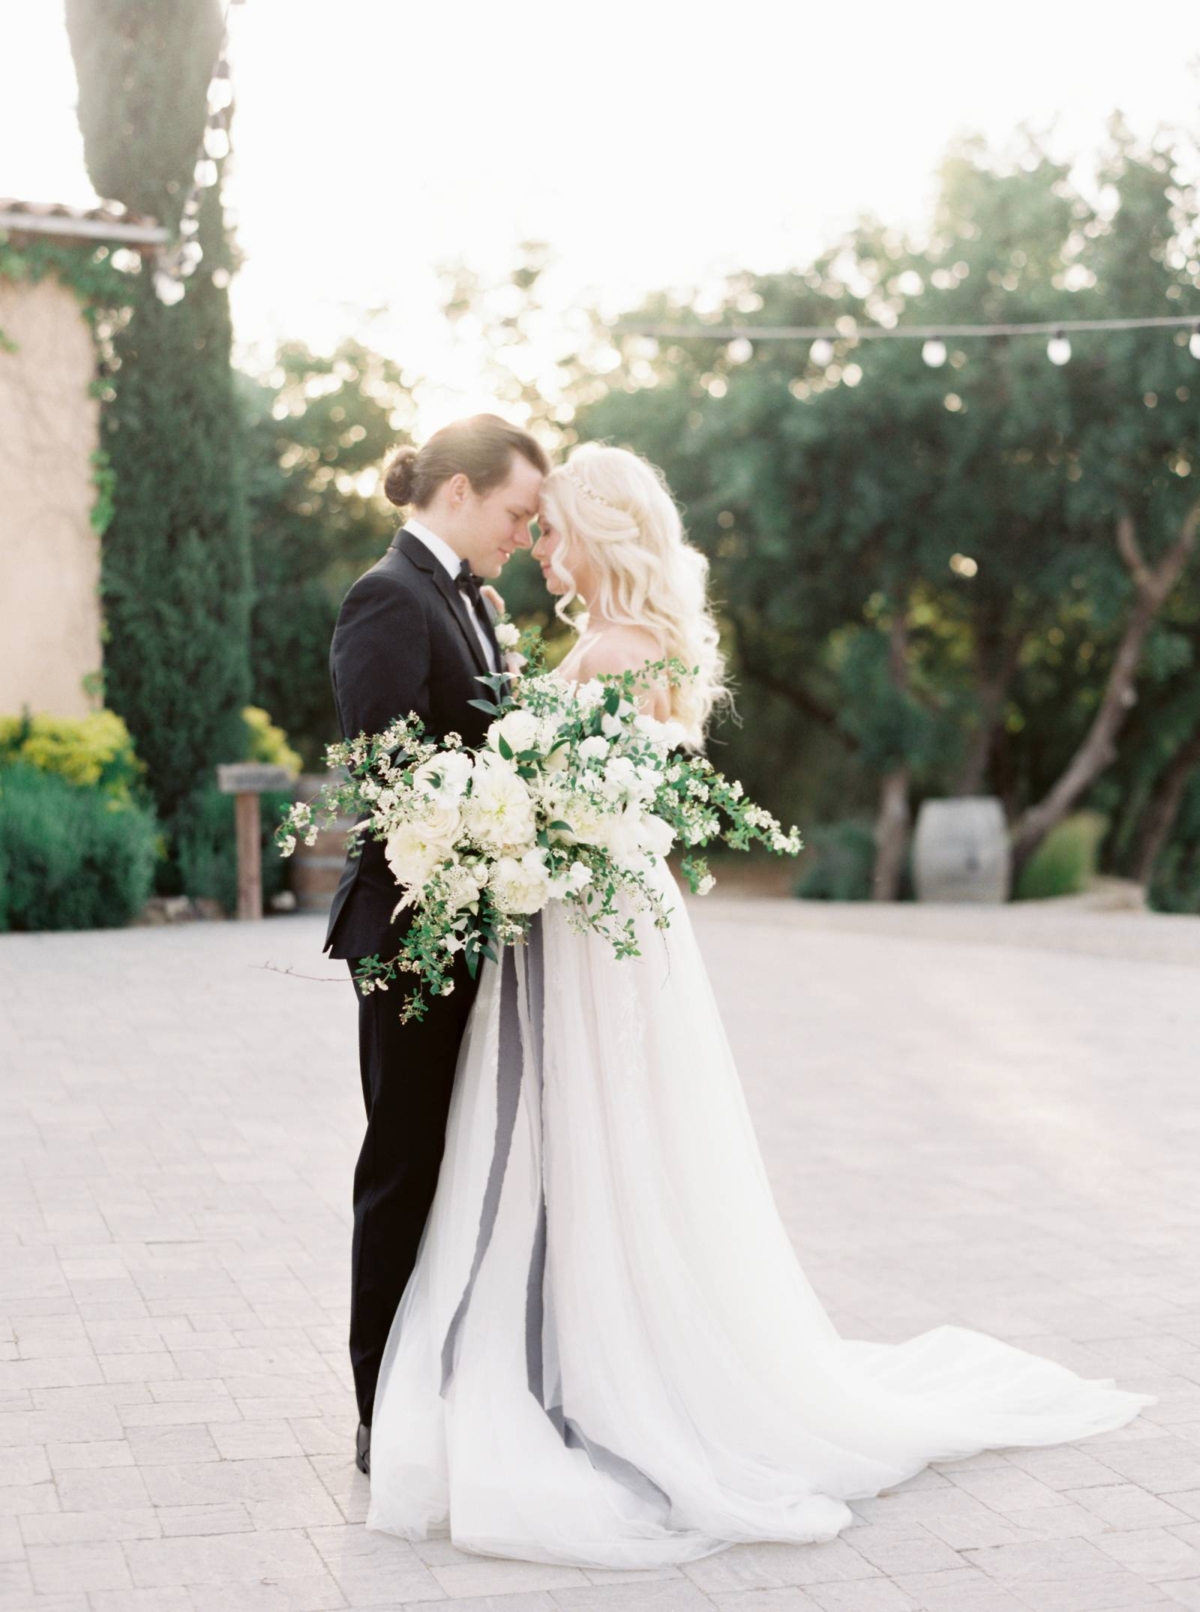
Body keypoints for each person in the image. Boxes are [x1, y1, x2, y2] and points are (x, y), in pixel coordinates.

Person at [364, 441, 1153, 1568]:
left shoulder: (605, 656)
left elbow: (556, 794)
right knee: (627, 1151)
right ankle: (610, 1356)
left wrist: (499, 814)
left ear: (597, 533)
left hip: (591, 927)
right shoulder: (654, 648)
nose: (541, 544)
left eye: (555, 527)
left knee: (594, 1149)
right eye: (531, 524)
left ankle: (602, 1377)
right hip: (624, 920)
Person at [324, 414, 547, 1476]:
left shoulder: (466, 598)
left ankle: (447, 1377)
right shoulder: (390, 595)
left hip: (466, 919)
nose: (522, 533)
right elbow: (385, 770)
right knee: (404, 1160)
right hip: (410, 932)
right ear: (458, 491)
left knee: (453, 1158)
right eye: (515, 513)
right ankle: (380, 1408)